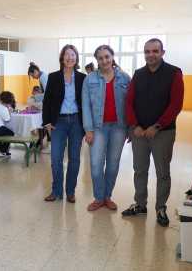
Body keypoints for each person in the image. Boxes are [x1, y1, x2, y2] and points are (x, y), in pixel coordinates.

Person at [122, 38, 184, 227]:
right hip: (139, 133)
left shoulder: (174, 73)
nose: (151, 55)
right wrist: (135, 126)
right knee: (139, 170)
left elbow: (176, 104)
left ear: (162, 52)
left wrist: (157, 126)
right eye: (147, 51)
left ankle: (160, 207)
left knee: (162, 172)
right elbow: (129, 102)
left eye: (155, 51)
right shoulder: (138, 74)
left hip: (163, 133)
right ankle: (140, 205)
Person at [82, 45, 131, 211]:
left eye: (107, 57)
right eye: (101, 58)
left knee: (112, 164)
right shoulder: (90, 79)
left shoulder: (125, 78)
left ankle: (107, 196)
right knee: (96, 164)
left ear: (112, 57)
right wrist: (88, 129)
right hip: (97, 128)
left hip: (119, 128)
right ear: (97, 60)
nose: (104, 60)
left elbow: (130, 105)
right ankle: (98, 197)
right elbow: (86, 105)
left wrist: (130, 128)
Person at [43, 44, 86, 202]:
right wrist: (47, 122)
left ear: (76, 58)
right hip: (58, 122)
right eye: (67, 55)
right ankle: (56, 191)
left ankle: (70, 191)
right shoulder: (53, 77)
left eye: (73, 55)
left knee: (74, 158)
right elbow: (47, 101)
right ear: (62, 58)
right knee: (55, 158)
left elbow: (86, 103)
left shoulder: (82, 78)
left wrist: (86, 125)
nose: (70, 58)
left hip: (76, 121)